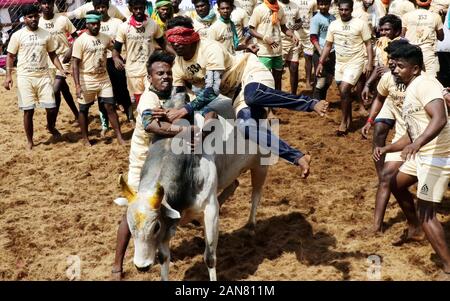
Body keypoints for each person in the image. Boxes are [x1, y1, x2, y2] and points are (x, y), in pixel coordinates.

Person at [164, 16, 328, 174]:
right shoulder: (178, 66)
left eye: (180, 38)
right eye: (172, 40)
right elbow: (178, 98)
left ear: (191, 36)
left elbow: (212, 90)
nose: (176, 43)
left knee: (253, 96)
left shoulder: (209, 48)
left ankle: (310, 103)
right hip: (235, 95)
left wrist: (184, 109)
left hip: (249, 72)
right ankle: (298, 157)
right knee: (246, 127)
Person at [112, 51, 189, 280]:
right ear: (149, 77)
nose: (165, 77)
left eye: (167, 73)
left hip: (165, 162)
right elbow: (150, 125)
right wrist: (184, 130)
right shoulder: (148, 99)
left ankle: (156, 247)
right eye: (159, 74)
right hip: (143, 163)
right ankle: (117, 265)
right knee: (133, 214)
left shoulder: (174, 93)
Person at [373, 43, 450, 275]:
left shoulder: (425, 84)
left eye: (400, 66)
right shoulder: (411, 86)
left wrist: (417, 144)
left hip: (437, 157)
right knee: (395, 183)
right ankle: (414, 228)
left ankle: (448, 265)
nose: (395, 70)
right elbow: (413, 131)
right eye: (393, 66)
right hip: (423, 154)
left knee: (426, 211)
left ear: (415, 68)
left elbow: (439, 119)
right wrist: (388, 148)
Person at [361, 39, 409, 233]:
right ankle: (376, 227)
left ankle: (416, 223)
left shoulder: (423, 81)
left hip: (429, 140)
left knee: (427, 191)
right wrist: (370, 121)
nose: (390, 63)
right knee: (387, 177)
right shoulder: (388, 79)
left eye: (395, 60)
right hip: (404, 137)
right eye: (390, 59)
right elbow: (380, 98)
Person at [3, 4, 66, 150]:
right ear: (24, 19)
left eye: (35, 16)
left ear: (38, 16)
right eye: (29, 17)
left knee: (51, 108)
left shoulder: (46, 34)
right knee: (28, 110)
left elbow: (52, 54)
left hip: (43, 75)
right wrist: (8, 76)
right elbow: (10, 56)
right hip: (25, 76)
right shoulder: (17, 35)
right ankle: (30, 141)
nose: (33, 19)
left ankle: (50, 126)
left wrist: (61, 69)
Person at [317, 0, 373, 135]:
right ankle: (348, 119)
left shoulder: (360, 24)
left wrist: (369, 62)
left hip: (356, 61)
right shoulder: (334, 25)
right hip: (340, 63)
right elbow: (328, 45)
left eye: (346, 10)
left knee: (344, 88)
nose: (343, 12)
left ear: (351, 10)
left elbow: (368, 44)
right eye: (341, 10)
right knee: (344, 93)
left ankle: (343, 123)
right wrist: (321, 62)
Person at [72, 10, 125, 146]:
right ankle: (85, 138)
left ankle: (119, 136)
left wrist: (116, 57)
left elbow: (114, 48)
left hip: (103, 78)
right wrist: (77, 85)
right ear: (87, 24)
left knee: (110, 107)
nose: (95, 26)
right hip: (87, 79)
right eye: (92, 24)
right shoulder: (80, 41)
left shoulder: (105, 37)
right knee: (84, 109)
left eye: (97, 24)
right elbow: (75, 64)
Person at [113, 0, 166, 105]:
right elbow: (116, 49)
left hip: (149, 69)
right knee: (139, 99)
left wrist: (176, 55)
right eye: (135, 9)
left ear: (144, 8)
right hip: (133, 70)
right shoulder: (124, 27)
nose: (138, 11)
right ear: (130, 9)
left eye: (141, 8)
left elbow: (163, 44)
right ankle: (141, 119)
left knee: (152, 95)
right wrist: (115, 58)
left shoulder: (152, 24)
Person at [94, 0, 135, 135]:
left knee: (122, 89)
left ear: (107, 7)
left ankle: (130, 116)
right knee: (102, 94)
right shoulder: (93, 24)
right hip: (99, 62)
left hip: (115, 60)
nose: (101, 10)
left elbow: (125, 41)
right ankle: (105, 123)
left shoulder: (117, 23)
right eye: (98, 7)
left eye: (103, 7)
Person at [38, 0, 80, 125]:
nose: (47, 6)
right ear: (40, 5)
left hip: (63, 58)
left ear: (53, 4)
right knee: (64, 89)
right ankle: (77, 115)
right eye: (44, 3)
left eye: (49, 3)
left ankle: (51, 123)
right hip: (47, 61)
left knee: (55, 90)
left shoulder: (62, 19)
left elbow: (77, 37)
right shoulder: (38, 22)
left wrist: (70, 51)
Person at [248, 0, 300, 90]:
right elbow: (251, 29)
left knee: (278, 79)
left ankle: (277, 101)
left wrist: (292, 35)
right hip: (264, 52)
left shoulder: (280, 8)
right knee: (265, 80)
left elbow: (283, 27)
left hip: (277, 51)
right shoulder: (259, 9)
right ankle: (266, 103)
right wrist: (265, 38)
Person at [401, 0, 444, 78]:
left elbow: (402, 35)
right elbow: (441, 37)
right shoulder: (435, 16)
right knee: (431, 79)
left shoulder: (406, 16)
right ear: (430, 2)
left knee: (412, 78)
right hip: (428, 53)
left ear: (416, 2)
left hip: (411, 52)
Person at [310, 0, 336, 100]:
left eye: (326, 4)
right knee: (320, 81)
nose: (323, 6)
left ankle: (322, 100)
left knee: (329, 79)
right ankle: (316, 102)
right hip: (320, 52)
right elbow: (313, 37)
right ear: (318, 5)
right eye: (321, 4)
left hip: (332, 52)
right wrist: (321, 52)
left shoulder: (333, 18)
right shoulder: (316, 19)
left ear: (330, 5)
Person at [278, 0, 302, 94]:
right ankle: (278, 95)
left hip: (293, 40)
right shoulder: (276, 5)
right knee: (278, 71)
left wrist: (298, 25)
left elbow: (299, 21)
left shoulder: (295, 6)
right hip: (279, 41)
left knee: (294, 67)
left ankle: (293, 95)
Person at [296, 0, 318, 90]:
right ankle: (294, 81)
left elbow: (316, 15)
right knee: (293, 61)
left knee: (308, 58)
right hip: (295, 33)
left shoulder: (313, 1)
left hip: (308, 32)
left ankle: (308, 81)